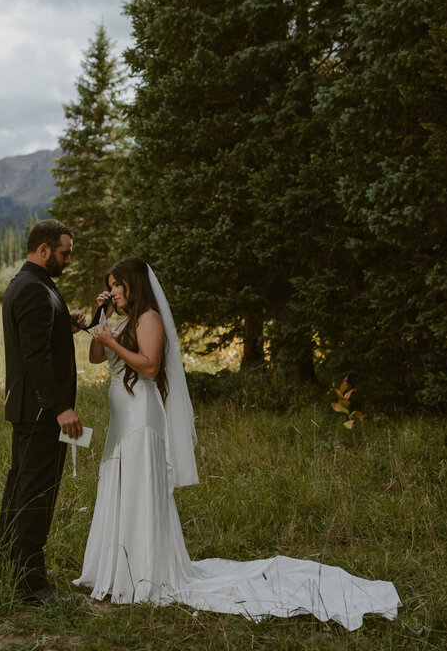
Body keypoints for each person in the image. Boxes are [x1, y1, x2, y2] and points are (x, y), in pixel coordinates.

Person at [73, 257, 401, 630]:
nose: (113, 291)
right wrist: (102, 322)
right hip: (122, 418)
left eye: (117, 285)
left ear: (134, 284)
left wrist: (112, 342)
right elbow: (96, 356)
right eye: (110, 286)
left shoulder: (149, 318)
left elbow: (148, 367)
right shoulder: (121, 320)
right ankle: (115, 567)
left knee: (139, 487)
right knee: (119, 483)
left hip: (142, 416)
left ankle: (142, 570)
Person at [0, 219, 86, 605]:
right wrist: (61, 407)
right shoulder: (34, 289)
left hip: (28, 410)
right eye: (65, 252)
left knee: (20, 488)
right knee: (37, 494)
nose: (69, 259)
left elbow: (37, 339)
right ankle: (31, 585)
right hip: (41, 412)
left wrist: (63, 328)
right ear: (44, 249)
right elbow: (35, 357)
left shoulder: (27, 283)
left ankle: (9, 566)